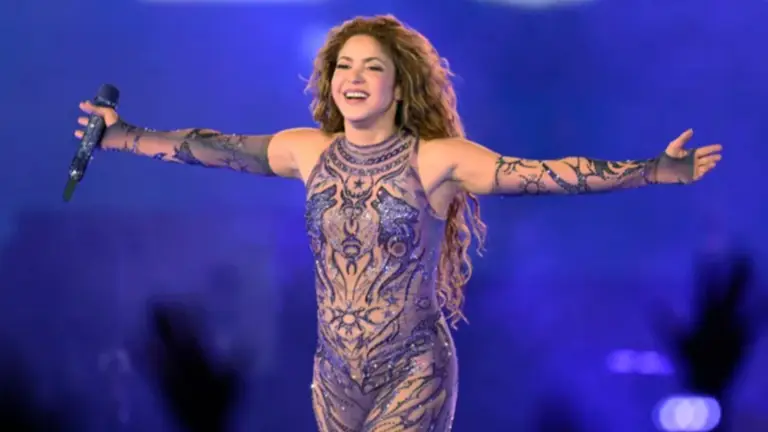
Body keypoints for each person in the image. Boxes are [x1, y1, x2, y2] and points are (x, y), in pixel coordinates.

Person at [74, 14, 723, 432]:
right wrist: (122, 135)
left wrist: (654, 170)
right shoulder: (306, 150)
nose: (353, 78)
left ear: (400, 86)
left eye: (372, 67)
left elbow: (547, 173)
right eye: (343, 67)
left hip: (413, 369)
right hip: (333, 375)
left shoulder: (438, 160)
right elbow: (210, 147)